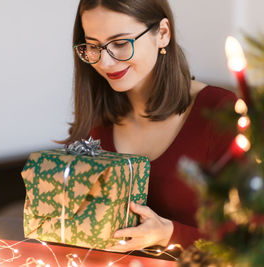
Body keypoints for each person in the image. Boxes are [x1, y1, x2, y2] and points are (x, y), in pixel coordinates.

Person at [64, 0, 237, 251]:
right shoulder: (98, 118)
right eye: (93, 46)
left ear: (163, 34)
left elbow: (250, 239)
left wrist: (169, 234)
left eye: (121, 43)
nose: (105, 62)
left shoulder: (220, 112)